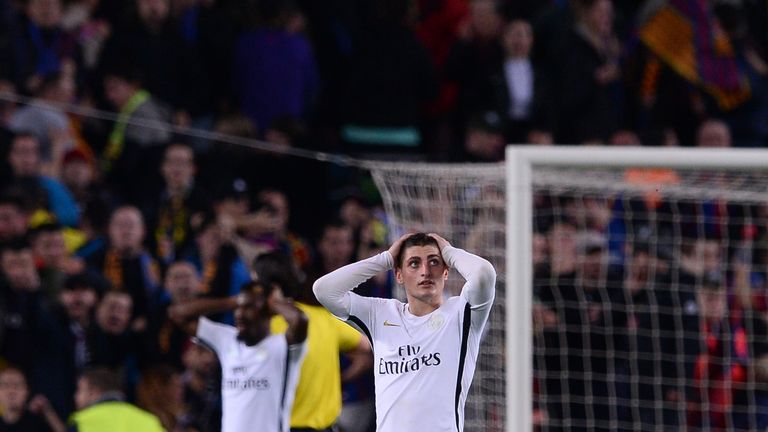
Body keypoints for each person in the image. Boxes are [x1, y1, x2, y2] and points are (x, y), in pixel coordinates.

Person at [313, 232, 496, 431]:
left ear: (446, 271)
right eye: (414, 263)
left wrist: (449, 251)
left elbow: (484, 274)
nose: (425, 271)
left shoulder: (461, 314)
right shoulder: (380, 314)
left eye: (434, 262)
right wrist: (385, 259)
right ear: (399, 275)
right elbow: (324, 290)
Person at [255, 250, 372, 432]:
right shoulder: (323, 318)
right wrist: (340, 379)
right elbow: (368, 348)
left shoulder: (259, 327)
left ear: (269, 286)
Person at [169, 280, 308, 432]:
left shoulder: (282, 347)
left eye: (248, 308)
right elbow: (178, 314)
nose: (239, 314)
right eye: (238, 308)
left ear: (267, 310)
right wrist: (231, 302)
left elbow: (299, 320)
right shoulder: (227, 340)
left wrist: (273, 303)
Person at [69, 367, 164, 431]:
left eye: (79, 390)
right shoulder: (149, 421)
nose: (75, 397)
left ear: (93, 393)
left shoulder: (82, 422)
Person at [0, 367, 65, 432]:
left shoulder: (40, 422)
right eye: (5, 385)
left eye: (17, 385)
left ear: (27, 391)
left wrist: (48, 412)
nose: (11, 391)